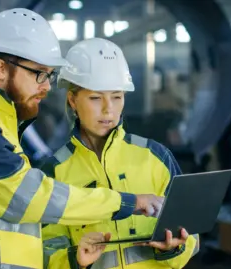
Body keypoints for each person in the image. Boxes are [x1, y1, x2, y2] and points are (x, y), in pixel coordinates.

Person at [0, 8, 164, 269]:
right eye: (39, 73)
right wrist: (127, 202)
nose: (46, 86)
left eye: (49, 75)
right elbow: (27, 198)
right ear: (0, 68)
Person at [41, 38, 200, 269]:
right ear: (72, 100)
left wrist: (175, 247)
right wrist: (75, 259)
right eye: (96, 98)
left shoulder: (156, 158)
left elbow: (193, 237)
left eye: (117, 97)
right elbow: (45, 252)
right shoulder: (53, 173)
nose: (108, 109)